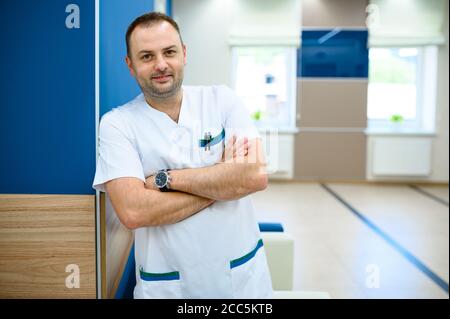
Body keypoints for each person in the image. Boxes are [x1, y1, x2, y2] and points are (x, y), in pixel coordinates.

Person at [93, 12, 273, 299]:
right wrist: (224, 180)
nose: (161, 64)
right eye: (147, 56)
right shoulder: (117, 124)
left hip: (241, 282)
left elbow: (255, 175)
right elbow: (133, 211)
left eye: (169, 52)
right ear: (130, 65)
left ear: (184, 53)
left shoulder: (222, 100)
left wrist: (163, 180)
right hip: (168, 287)